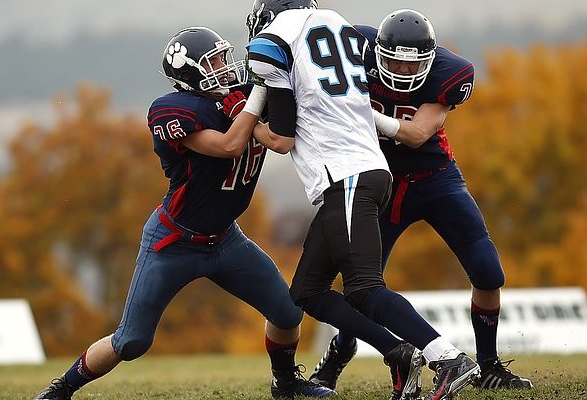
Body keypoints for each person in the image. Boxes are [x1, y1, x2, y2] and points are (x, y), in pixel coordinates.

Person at [32, 26, 336, 400]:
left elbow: (282, 132)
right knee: (131, 341)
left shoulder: (239, 95)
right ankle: (61, 389)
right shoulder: (173, 111)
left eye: (224, 58)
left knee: (288, 312)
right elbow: (228, 145)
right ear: (189, 74)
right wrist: (261, 90)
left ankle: (286, 385)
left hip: (226, 238)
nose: (225, 68)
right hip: (174, 242)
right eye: (214, 62)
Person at [246, 2, 481, 399]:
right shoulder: (338, 24)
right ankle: (397, 352)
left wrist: (249, 122)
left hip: (347, 176)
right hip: (360, 172)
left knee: (365, 288)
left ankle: (448, 358)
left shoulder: (277, 36)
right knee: (307, 292)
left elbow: (282, 140)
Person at [309, 8, 533, 393]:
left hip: (435, 181)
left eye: (414, 66)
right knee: (360, 288)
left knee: (488, 271)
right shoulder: (353, 47)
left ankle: (489, 364)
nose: (403, 71)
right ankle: (338, 354)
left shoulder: (451, 72)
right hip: (379, 184)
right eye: (394, 60)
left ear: (431, 60)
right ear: (377, 51)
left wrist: (358, 110)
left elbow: (415, 135)